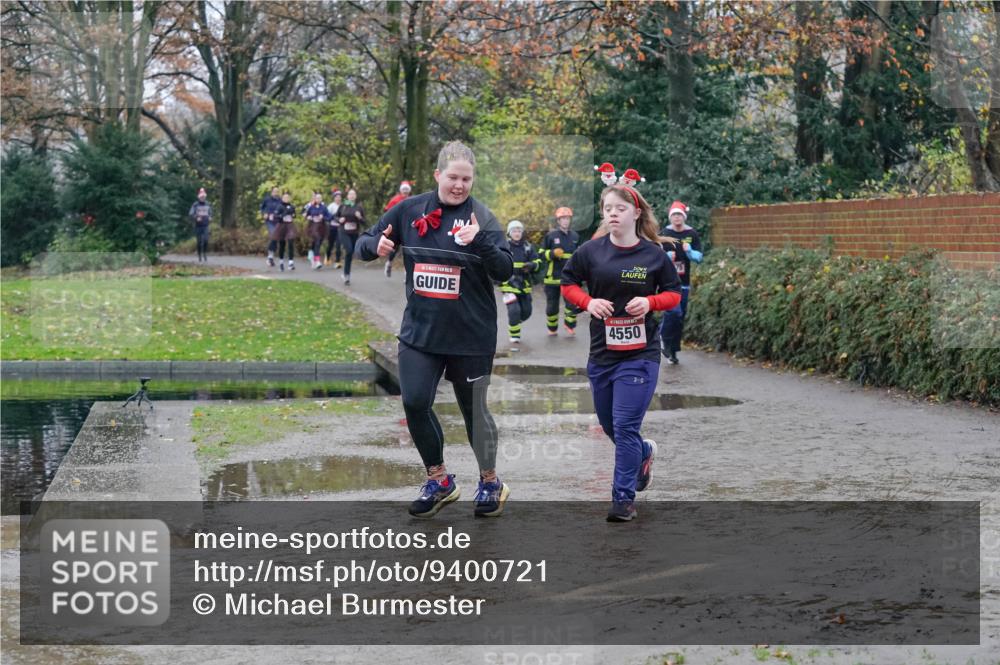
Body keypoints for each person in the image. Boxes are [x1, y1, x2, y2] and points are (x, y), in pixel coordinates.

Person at [355, 140, 514, 518]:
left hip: (470, 336)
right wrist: (372, 246)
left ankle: (490, 482)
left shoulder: (483, 218)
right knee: (413, 401)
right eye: (453, 177)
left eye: (467, 179)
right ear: (437, 175)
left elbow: (505, 270)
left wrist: (480, 242)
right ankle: (439, 480)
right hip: (421, 334)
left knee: (473, 410)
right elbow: (363, 242)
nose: (459, 185)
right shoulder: (409, 210)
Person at [560, 184, 681, 522]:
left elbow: (673, 294)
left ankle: (623, 499)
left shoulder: (653, 255)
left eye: (620, 208)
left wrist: (650, 302)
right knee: (610, 424)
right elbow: (567, 283)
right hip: (602, 354)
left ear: (636, 213)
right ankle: (642, 454)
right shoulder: (590, 251)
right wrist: (588, 302)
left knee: (626, 425)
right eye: (608, 208)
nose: (612, 214)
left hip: (640, 354)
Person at [659, 200, 703, 364]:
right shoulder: (664, 233)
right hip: (667, 283)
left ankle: (672, 350)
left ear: (683, 217)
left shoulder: (691, 233)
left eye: (679, 215)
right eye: (674, 215)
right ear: (670, 217)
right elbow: (655, 255)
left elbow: (699, 258)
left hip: (684, 283)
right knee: (673, 312)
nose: (677, 218)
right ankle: (662, 338)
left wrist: (689, 251)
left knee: (680, 318)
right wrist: (666, 257)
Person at [499, 220, 539, 350]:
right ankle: (514, 337)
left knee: (527, 312)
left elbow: (538, 262)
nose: (517, 233)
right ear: (510, 233)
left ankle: (515, 320)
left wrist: (532, 265)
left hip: (524, 285)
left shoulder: (528, 247)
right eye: (514, 231)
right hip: (508, 284)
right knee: (514, 310)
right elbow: (496, 262)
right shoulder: (504, 246)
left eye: (519, 231)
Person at [541, 206, 581, 336]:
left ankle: (570, 326)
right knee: (552, 307)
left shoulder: (575, 236)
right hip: (552, 278)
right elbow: (541, 255)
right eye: (563, 218)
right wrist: (552, 253)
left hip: (570, 278)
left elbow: (580, 256)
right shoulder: (551, 236)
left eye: (567, 218)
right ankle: (552, 329)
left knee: (572, 304)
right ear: (558, 221)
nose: (565, 221)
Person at [382, 181, 412, 278]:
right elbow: (387, 212)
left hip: (408, 228)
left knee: (407, 250)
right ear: (400, 190)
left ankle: (407, 273)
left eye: (407, 190)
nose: (405, 192)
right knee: (394, 249)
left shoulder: (413, 200)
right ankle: (389, 263)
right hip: (396, 228)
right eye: (404, 190)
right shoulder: (395, 200)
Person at [338, 188, 365, 285]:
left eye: (354, 194)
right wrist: (339, 220)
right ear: (348, 196)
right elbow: (336, 217)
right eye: (350, 194)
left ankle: (346, 274)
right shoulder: (343, 206)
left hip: (354, 233)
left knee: (350, 253)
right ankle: (346, 275)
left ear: (356, 196)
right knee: (349, 250)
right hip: (343, 231)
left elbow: (364, 222)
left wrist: (360, 217)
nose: (352, 196)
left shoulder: (359, 207)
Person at [270, 191, 298, 271]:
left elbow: (294, 214)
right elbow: (276, 215)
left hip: (289, 225)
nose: (286, 199)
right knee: (282, 244)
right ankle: (281, 262)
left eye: (288, 197)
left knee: (290, 242)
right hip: (281, 226)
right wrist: (283, 215)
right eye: (285, 197)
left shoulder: (291, 206)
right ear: (282, 198)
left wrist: (292, 215)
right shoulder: (279, 206)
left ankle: (291, 262)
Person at [304, 192, 332, 270]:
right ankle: (317, 261)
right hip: (312, 227)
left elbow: (329, 217)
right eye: (317, 198)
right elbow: (306, 215)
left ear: (321, 199)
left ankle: (311, 254)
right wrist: (309, 217)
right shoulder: (311, 207)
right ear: (315, 199)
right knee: (317, 241)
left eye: (320, 198)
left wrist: (323, 217)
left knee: (318, 243)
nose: (319, 199)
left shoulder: (324, 207)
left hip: (322, 228)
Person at [188, 187, 212, 263]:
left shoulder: (208, 204)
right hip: (198, 226)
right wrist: (196, 217)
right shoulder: (195, 205)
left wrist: (210, 217)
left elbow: (210, 213)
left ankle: (204, 253)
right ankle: (199, 256)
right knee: (199, 242)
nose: (203, 198)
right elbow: (191, 213)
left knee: (206, 240)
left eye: (204, 197)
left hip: (206, 225)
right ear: (199, 197)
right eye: (201, 197)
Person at [261, 186, 281, 267]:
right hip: (270, 221)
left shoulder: (280, 200)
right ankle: (270, 256)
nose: (276, 193)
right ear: (272, 192)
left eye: (277, 191)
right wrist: (264, 213)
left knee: (276, 238)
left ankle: (271, 256)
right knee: (273, 235)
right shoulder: (267, 199)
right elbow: (262, 208)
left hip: (278, 221)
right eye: (275, 191)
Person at [325, 189, 343, 267]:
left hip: (340, 228)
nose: (338, 198)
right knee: (330, 245)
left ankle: (337, 262)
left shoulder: (343, 206)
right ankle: (328, 257)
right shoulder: (331, 206)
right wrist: (333, 218)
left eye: (339, 197)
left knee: (338, 245)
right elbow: (327, 216)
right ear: (334, 198)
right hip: (332, 228)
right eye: (337, 197)